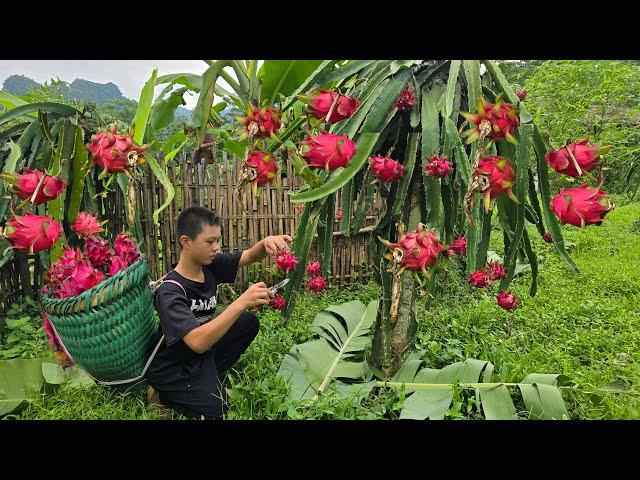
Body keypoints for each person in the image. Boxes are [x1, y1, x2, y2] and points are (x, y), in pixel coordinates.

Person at [145, 206, 291, 419]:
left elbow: (250, 255)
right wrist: (240, 302)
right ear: (186, 242)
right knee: (218, 410)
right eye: (209, 241)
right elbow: (197, 342)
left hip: (198, 355)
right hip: (173, 367)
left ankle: (207, 379)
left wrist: (265, 242)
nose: (216, 247)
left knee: (247, 322)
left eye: (218, 240)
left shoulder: (209, 266)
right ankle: (162, 395)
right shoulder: (170, 290)